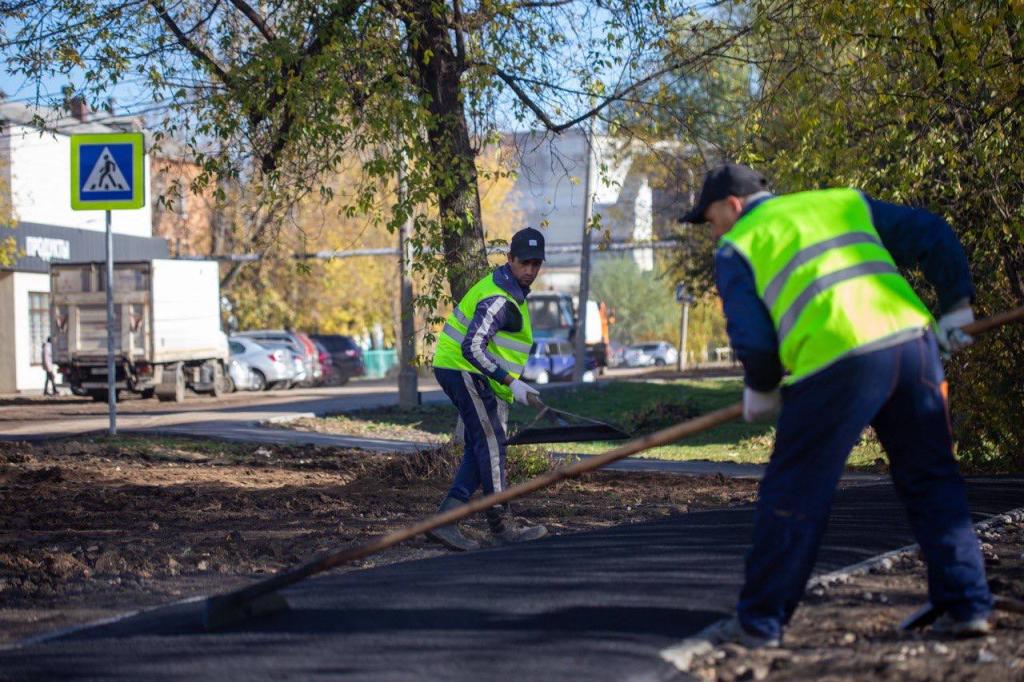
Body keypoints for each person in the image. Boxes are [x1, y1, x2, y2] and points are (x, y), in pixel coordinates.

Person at [680, 163, 991, 647]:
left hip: (837, 364)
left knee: (795, 493)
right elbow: (932, 232)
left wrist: (761, 386)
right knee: (933, 480)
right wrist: (956, 305)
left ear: (733, 205)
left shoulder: (738, 244)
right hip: (914, 347)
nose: (711, 229)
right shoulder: (842, 201)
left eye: (710, 218)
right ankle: (968, 604)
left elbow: (754, 337)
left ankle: (759, 623)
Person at [428, 227, 550, 551]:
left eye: (537, 264)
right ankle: (502, 525)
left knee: (479, 446)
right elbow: (472, 347)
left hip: (466, 370)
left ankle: (445, 523)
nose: (531, 270)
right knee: (493, 441)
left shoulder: (512, 291)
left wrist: (513, 385)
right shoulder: (500, 298)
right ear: (510, 259)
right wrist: (512, 382)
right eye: (525, 263)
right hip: (462, 368)